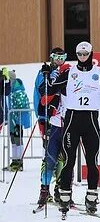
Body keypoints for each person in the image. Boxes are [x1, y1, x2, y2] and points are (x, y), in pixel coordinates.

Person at [42, 41, 100, 216]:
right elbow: (51, 89)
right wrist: (47, 74)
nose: (82, 57)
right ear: (77, 55)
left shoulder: (98, 72)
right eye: (80, 54)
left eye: (85, 54)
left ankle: (91, 200)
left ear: (91, 54)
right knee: (68, 161)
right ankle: (65, 200)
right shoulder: (69, 72)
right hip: (72, 120)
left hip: (90, 121)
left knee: (92, 162)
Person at [36, 58, 70, 206]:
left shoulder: (74, 88)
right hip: (55, 127)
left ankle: (61, 191)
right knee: (50, 160)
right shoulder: (54, 83)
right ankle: (44, 191)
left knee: (65, 160)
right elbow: (43, 100)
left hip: (69, 127)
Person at [7, 70, 31, 171]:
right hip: (12, 119)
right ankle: (14, 160)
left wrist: (17, 117)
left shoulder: (18, 91)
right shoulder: (11, 91)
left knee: (18, 139)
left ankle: (19, 162)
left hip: (18, 120)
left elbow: (22, 106)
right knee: (13, 139)